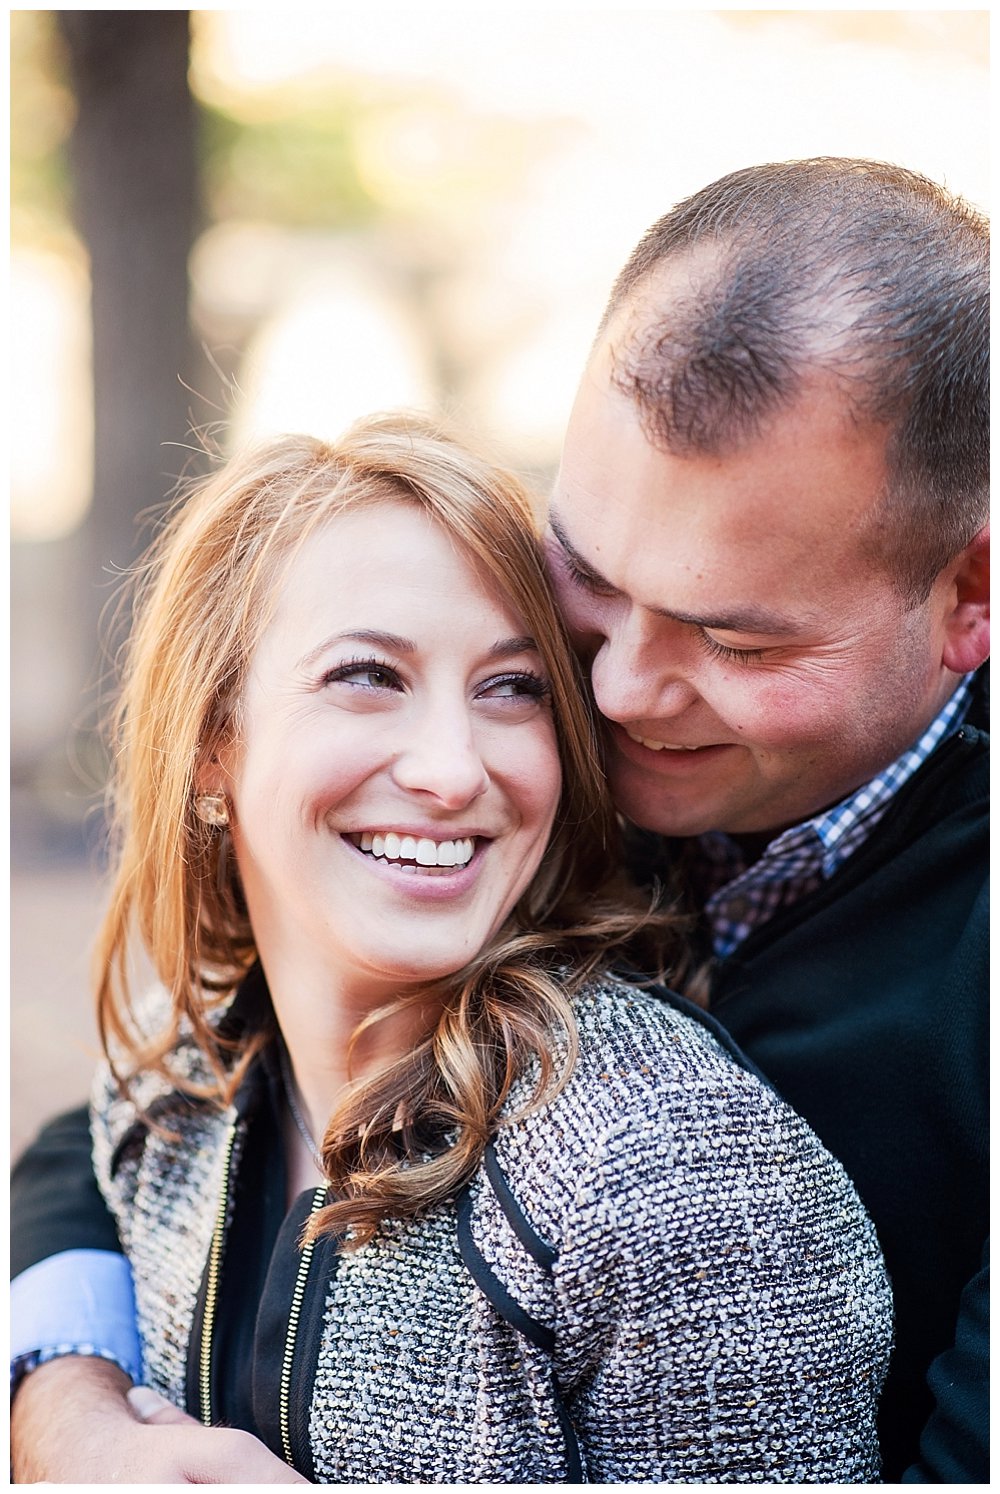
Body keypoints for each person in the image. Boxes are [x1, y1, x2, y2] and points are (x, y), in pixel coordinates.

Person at [11, 157, 989, 1480]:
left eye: (734, 637)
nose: (621, 691)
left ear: (969, 597)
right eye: (586, 574)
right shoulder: (535, 768)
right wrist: (65, 1400)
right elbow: (150, 1113)